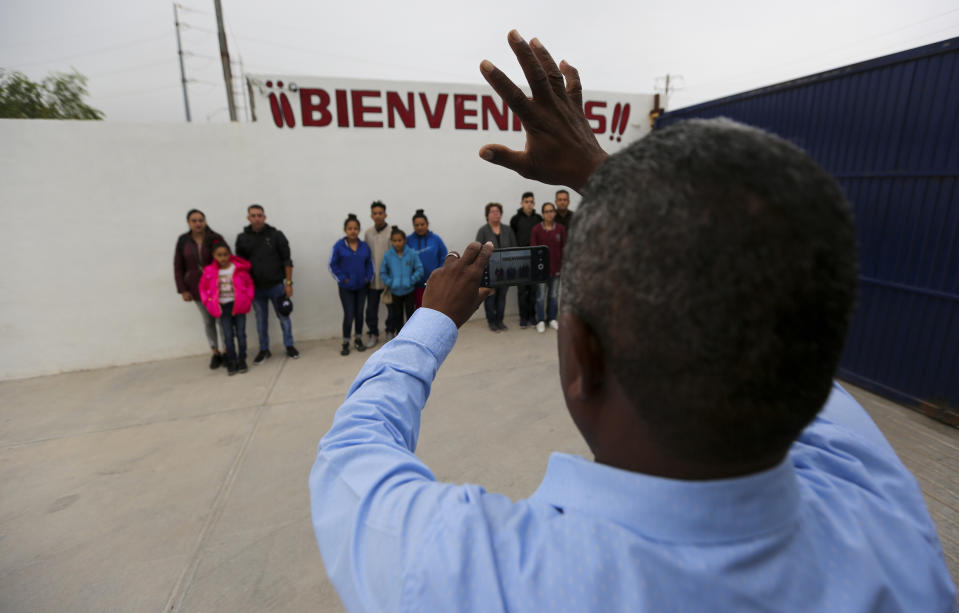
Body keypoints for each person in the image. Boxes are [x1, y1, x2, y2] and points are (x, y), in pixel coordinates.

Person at [309, 30, 956, 613]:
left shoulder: (480, 573)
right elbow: (759, 292)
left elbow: (350, 456)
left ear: (583, 357)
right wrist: (602, 171)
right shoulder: (881, 511)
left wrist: (432, 322)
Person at [235, 204, 300, 362]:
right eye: (253, 215)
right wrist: (244, 289)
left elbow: (287, 260)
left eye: (259, 215)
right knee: (261, 321)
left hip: (277, 286)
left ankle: (289, 346)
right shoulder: (243, 239)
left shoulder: (275, 235)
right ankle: (264, 349)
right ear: (248, 218)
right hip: (256, 289)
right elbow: (240, 266)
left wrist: (288, 283)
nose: (256, 218)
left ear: (264, 217)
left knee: (284, 317)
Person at [173, 209, 225, 369]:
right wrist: (183, 289)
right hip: (196, 288)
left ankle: (227, 350)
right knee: (208, 321)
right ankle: (215, 352)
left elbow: (226, 259)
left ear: (205, 221)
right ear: (188, 222)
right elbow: (178, 266)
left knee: (222, 320)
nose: (198, 223)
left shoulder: (215, 238)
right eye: (194, 220)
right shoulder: (183, 241)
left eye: (201, 220)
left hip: (216, 286)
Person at [198, 239, 254, 375]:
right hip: (223, 308)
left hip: (238, 306)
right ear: (214, 256)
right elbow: (203, 288)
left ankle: (242, 359)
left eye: (225, 254)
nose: (223, 258)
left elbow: (249, 285)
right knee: (227, 336)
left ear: (230, 254)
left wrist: (247, 298)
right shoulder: (210, 271)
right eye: (219, 255)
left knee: (241, 334)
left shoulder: (238, 269)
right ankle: (231, 360)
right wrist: (208, 302)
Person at [329, 213, 374, 356]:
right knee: (349, 314)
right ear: (345, 230)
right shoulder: (339, 246)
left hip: (362, 287)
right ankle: (346, 341)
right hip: (346, 288)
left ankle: (358, 339)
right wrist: (343, 279)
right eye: (350, 228)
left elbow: (369, 264)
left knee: (359, 314)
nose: (353, 231)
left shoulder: (364, 247)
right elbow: (332, 265)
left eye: (355, 228)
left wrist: (368, 277)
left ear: (359, 230)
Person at [475, 202, 516, 332]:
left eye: (498, 211)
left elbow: (514, 247)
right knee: (490, 296)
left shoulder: (508, 229)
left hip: (505, 270)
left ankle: (500, 321)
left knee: (502, 296)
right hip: (489, 271)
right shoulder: (483, 230)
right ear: (487, 215)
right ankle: (492, 322)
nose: (495, 213)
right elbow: (478, 251)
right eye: (492, 211)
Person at [380, 226, 423, 336]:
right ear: (391, 241)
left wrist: (411, 280)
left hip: (409, 291)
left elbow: (419, 269)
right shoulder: (388, 255)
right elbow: (383, 272)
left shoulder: (411, 254)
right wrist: (391, 283)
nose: (397, 243)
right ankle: (399, 335)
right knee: (397, 315)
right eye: (394, 241)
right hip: (395, 292)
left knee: (410, 314)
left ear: (404, 240)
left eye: (400, 240)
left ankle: (411, 335)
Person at [530, 201, 566, 332]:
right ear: (542, 214)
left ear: (554, 213)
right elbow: (534, 251)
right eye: (546, 211)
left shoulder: (560, 229)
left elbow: (564, 249)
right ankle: (540, 320)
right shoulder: (536, 230)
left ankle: (552, 319)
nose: (549, 214)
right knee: (540, 297)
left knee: (554, 296)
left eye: (551, 211)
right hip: (541, 272)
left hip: (556, 270)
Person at [509, 191, 542, 328]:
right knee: (522, 290)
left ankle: (532, 316)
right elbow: (512, 238)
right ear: (522, 203)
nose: (529, 204)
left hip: (535, 259)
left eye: (531, 202)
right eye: (526, 201)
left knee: (534, 290)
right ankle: (523, 317)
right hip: (520, 259)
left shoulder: (539, 219)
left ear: (534, 204)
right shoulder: (515, 219)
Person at [363, 200, 390, 348]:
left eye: (380, 213)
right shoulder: (368, 234)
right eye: (375, 213)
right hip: (372, 281)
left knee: (391, 309)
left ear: (385, 214)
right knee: (371, 310)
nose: (378, 215)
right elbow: (365, 256)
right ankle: (373, 333)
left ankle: (390, 331)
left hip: (388, 280)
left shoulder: (392, 232)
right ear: (371, 215)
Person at [408, 209, 448, 308]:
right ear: (413, 226)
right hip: (416, 285)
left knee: (435, 309)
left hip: (434, 283)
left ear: (427, 224)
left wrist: (439, 273)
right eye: (416, 225)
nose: (420, 227)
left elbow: (444, 257)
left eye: (422, 224)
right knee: (420, 310)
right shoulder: (408, 240)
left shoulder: (435, 239)